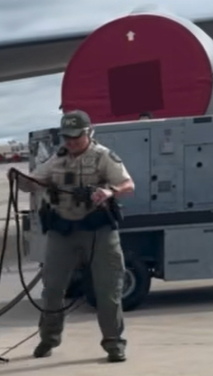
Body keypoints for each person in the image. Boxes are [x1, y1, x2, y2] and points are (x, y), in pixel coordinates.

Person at [9, 110, 136, 362]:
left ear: (88, 132)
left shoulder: (103, 157)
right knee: (53, 288)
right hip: (63, 231)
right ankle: (48, 338)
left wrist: (110, 192)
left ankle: (113, 342)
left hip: (98, 231)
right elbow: (34, 181)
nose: (71, 142)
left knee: (108, 288)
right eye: (67, 137)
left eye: (76, 137)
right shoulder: (56, 159)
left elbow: (128, 185)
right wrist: (18, 179)